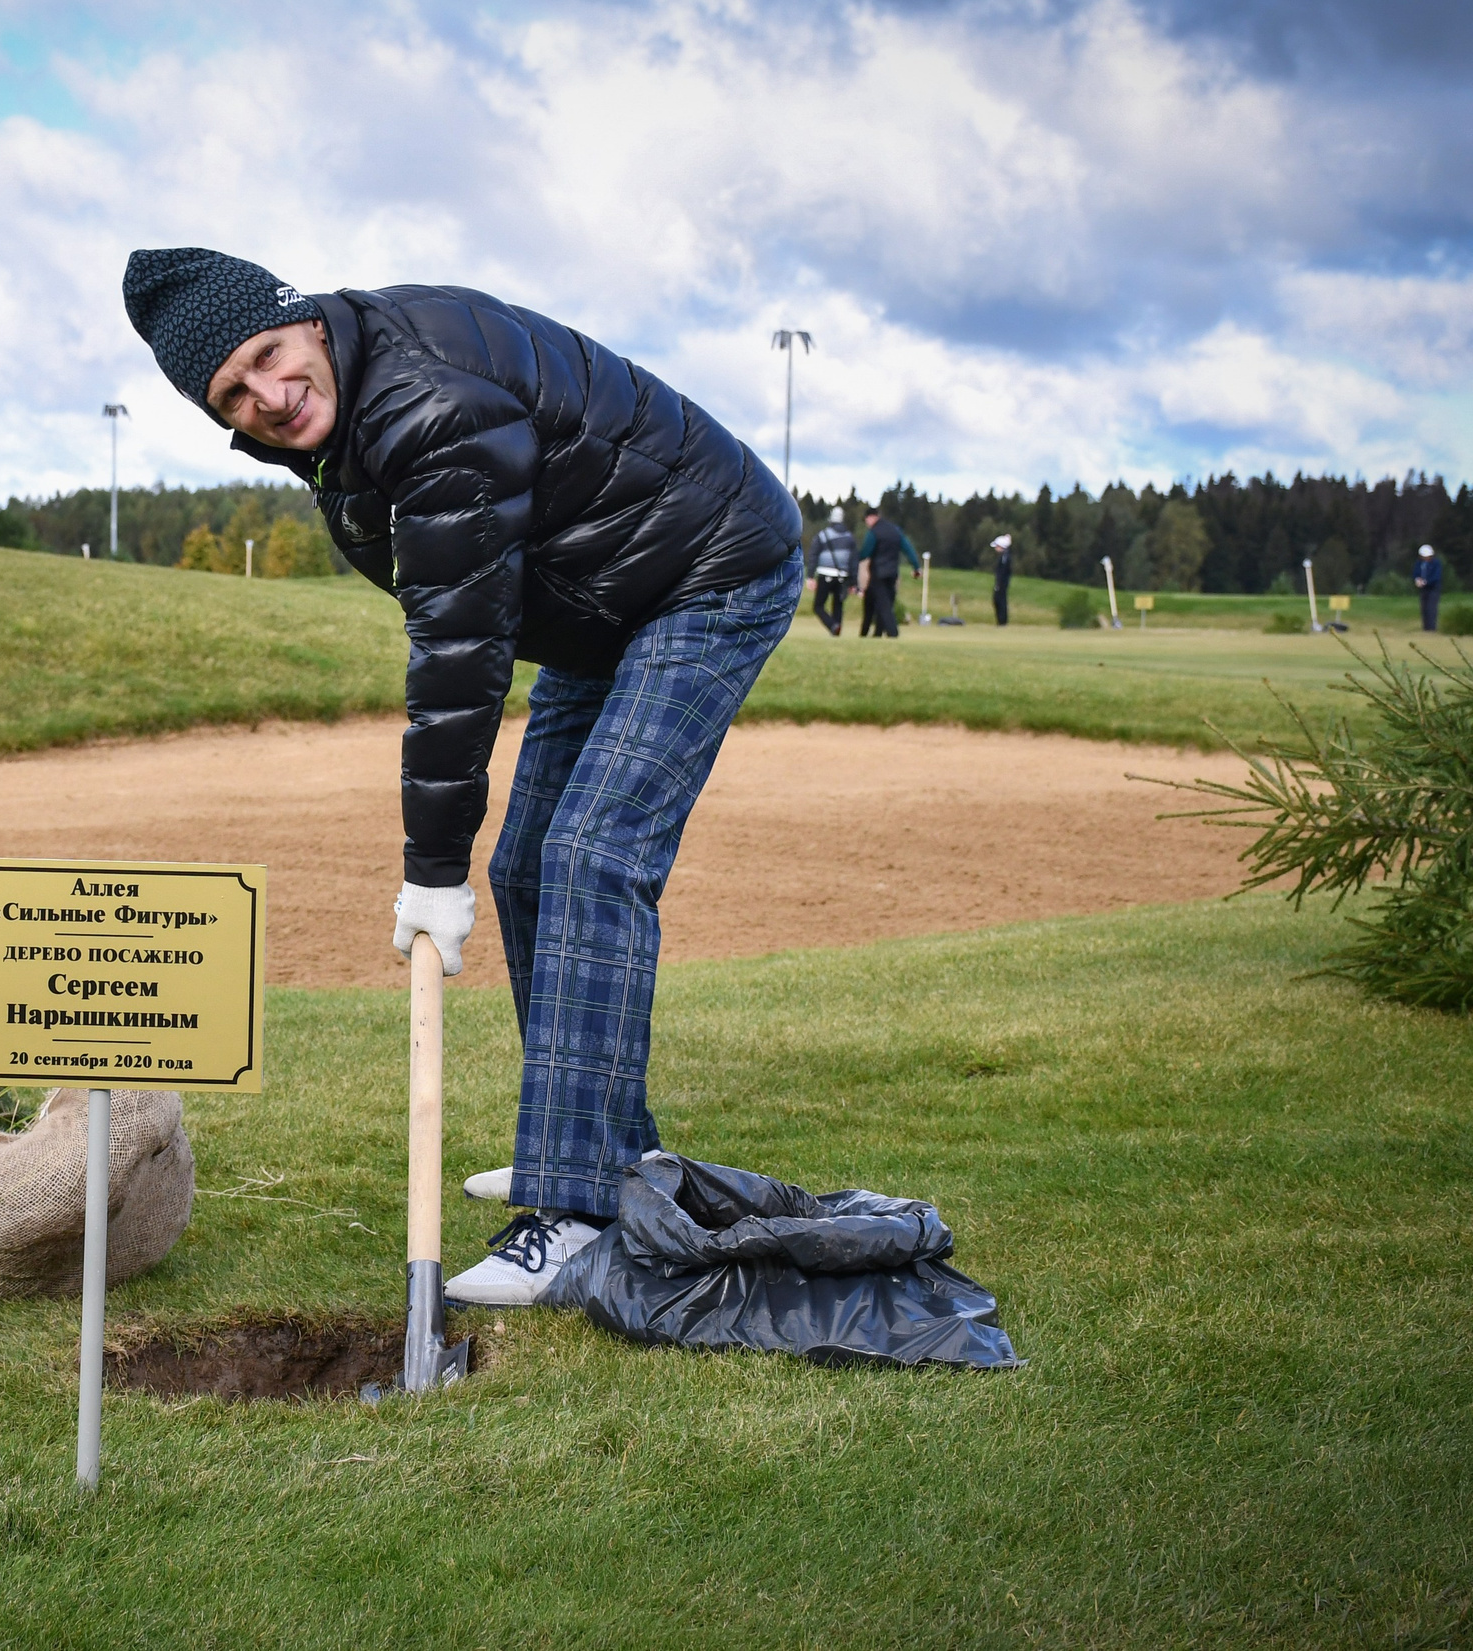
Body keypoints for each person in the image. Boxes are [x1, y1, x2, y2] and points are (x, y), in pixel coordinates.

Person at [123, 248, 803, 1304]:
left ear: (306, 323)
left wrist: (431, 870)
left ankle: (576, 1213)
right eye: (232, 395)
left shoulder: (425, 404)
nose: (267, 396)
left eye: (268, 356)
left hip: (710, 569)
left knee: (593, 858)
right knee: (528, 867)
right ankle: (595, 1151)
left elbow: (458, 653)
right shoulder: (350, 405)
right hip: (605, 601)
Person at [856, 507, 921, 637]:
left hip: (878, 574)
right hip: (892, 574)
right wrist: (916, 567)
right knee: (881, 602)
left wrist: (854, 559)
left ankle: (892, 632)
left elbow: (866, 552)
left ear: (871, 518)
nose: (867, 523)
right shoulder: (895, 530)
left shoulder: (874, 532)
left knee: (883, 605)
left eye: (866, 520)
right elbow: (908, 549)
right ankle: (875, 634)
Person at [809, 508, 855, 636]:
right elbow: (853, 561)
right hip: (842, 576)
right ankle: (836, 630)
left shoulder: (823, 535)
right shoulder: (849, 537)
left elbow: (813, 555)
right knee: (838, 605)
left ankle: (832, 626)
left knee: (818, 606)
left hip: (825, 574)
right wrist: (853, 582)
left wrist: (810, 576)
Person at [1410, 543, 1444, 633]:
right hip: (1423, 588)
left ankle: (1432, 628)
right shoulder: (1419, 563)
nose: (1426, 558)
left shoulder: (1436, 563)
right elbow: (1416, 573)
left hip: (1433, 588)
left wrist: (1426, 582)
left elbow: (1436, 577)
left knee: (1431, 607)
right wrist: (1417, 580)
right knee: (1424, 607)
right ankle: (1425, 627)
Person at [990, 533, 1014, 626]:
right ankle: (1001, 621)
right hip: (1001, 583)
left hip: (1002, 583)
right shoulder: (1004, 556)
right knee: (997, 600)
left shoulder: (1005, 557)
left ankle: (1002, 622)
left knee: (1000, 601)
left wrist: (999, 584)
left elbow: (1002, 572)